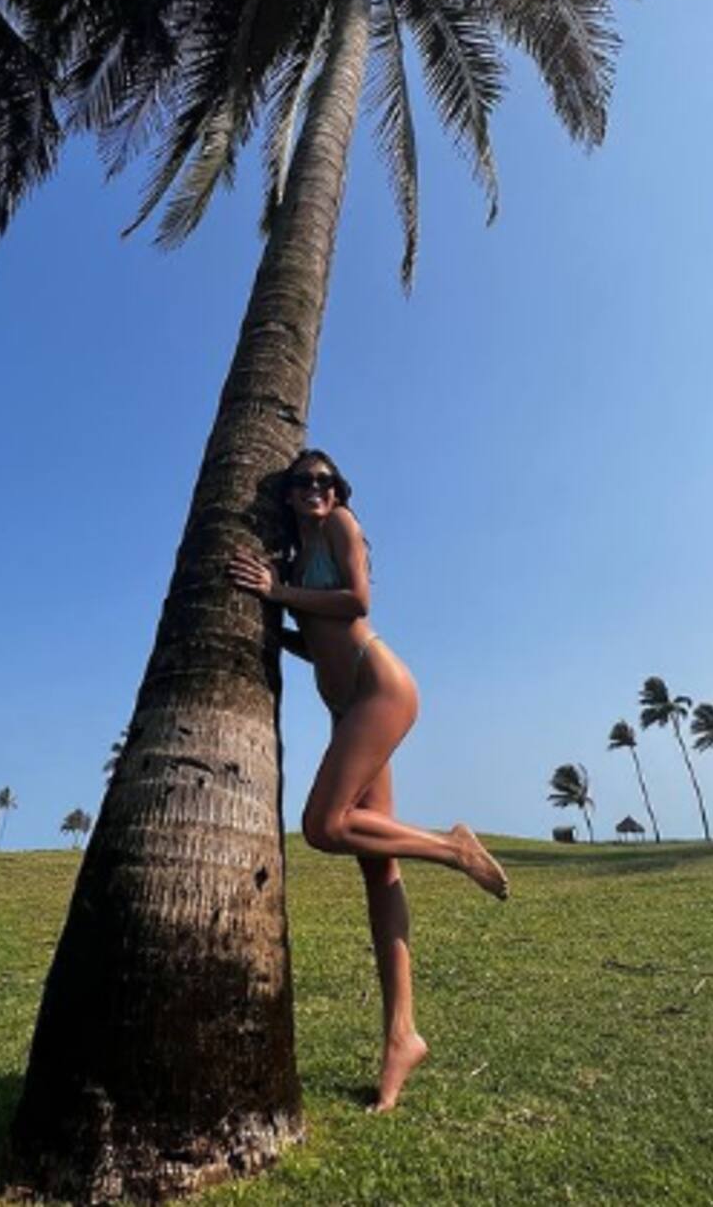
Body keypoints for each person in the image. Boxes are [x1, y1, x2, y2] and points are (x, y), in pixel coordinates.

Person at [228, 448, 508, 1113]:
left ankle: (453, 847)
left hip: (379, 686)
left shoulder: (341, 526)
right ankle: (402, 1037)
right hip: (347, 704)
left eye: (325, 481)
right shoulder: (295, 555)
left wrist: (278, 594)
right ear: (287, 493)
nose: (315, 490)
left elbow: (357, 600)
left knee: (323, 827)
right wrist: (268, 614)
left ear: (338, 490)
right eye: (303, 482)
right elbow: (316, 635)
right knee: (378, 870)